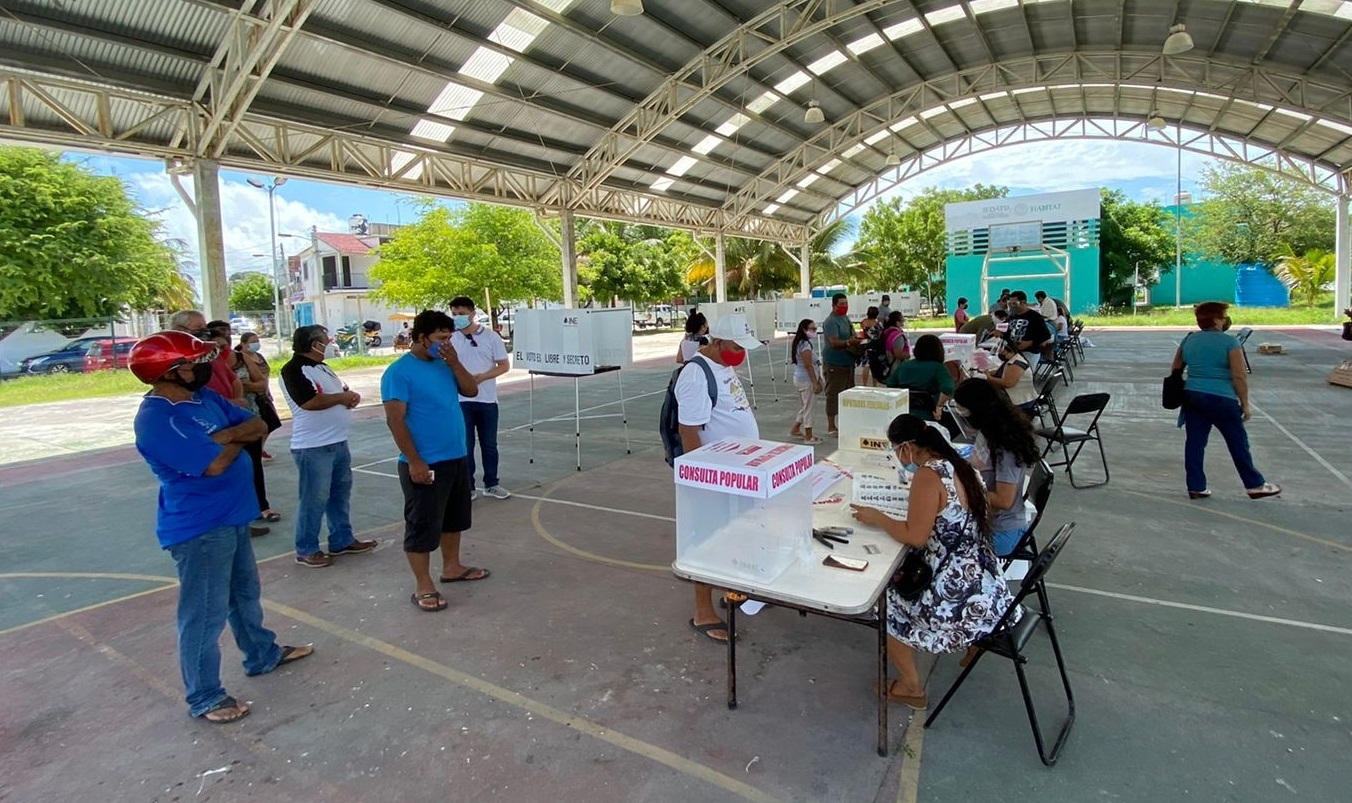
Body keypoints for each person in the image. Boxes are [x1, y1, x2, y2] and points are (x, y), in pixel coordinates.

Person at [130, 330, 313, 723]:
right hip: (200, 528)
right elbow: (213, 465)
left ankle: (261, 654)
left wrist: (221, 437)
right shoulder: (157, 419)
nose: (204, 368)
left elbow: (257, 423)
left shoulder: (203, 398)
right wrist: (230, 440)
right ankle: (205, 696)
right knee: (204, 613)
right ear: (171, 371)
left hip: (233, 517)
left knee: (244, 594)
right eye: (194, 364)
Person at [850, 414, 1017, 709]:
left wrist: (877, 517)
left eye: (896, 450)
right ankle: (974, 643)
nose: (899, 459)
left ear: (908, 447)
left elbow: (915, 536)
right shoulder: (962, 465)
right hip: (987, 583)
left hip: (956, 591)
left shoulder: (929, 475)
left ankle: (911, 687)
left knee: (885, 604)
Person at [382, 310, 486, 613]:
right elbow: (395, 420)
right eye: (441, 338)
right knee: (423, 525)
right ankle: (423, 584)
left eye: (449, 337)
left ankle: (451, 567)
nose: (446, 344)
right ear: (421, 337)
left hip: (456, 456)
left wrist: (454, 362)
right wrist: (415, 461)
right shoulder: (399, 373)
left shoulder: (445, 365)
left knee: (454, 519)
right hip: (425, 461)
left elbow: (471, 389)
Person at [675, 313, 761, 644]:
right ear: (719, 343)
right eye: (738, 347)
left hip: (736, 473)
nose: (743, 354)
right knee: (706, 539)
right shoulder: (696, 376)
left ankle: (733, 592)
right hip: (713, 476)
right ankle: (703, 611)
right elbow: (689, 432)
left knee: (733, 534)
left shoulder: (723, 368)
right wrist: (701, 481)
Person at [280, 324, 378, 568]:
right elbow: (310, 402)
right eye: (326, 340)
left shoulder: (323, 368)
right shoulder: (293, 370)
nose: (330, 344)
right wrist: (342, 398)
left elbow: (339, 392)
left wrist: (349, 396)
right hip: (313, 446)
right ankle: (306, 548)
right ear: (315, 344)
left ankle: (341, 538)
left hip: (337, 442)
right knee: (314, 498)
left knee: (339, 495)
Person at [1171, 301, 1281, 500]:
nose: (1225, 320)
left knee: (1195, 443)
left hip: (1193, 395)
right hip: (1222, 398)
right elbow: (1239, 376)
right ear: (1216, 320)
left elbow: (1176, 368)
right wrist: (1245, 404)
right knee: (1237, 442)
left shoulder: (1189, 340)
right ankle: (1254, 484)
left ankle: (1196, 486)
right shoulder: (1230, 342)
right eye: (1223, 316)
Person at [953, 379, 1040, 557]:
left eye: (962, 409)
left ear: (976, 411)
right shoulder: (990, 432)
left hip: (1000, 532)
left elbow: (1004, 501)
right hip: (987, 519)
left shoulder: (1005, 448)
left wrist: (961, 490)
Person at [449, 296, 513, 501]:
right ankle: (468, 486)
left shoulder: (491, 337)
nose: (458, 317)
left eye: (462, 313)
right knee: (466, 444)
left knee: (489, 444)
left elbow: (503, 365)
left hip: (486, 400)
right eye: (455, 314)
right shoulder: (451, 338)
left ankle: (492, 483)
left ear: (473, 313)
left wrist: (482, 377)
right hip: (461, 400)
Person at [230, 331, 282, 523]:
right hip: (230, 422)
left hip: (252, 414)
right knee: (234, 467)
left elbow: (260, 383)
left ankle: (262, 506)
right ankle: (241, 511)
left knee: (253, 465)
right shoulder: (213, 366)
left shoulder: (244, 359)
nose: (256, 345)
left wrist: (250, 387)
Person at [234, 332, 282, 461]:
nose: (256, 344)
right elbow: (243, 382)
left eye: (257, 340)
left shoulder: (259, 356)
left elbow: (265, 377)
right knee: (259, 424)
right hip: (250, 398)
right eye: (252, 341)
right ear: (243, 344)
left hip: (263, 395)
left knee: (270, 423)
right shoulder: (239, 359)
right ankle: (255, 451)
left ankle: (260, 449)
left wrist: (267, 391)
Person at [884, 334, 955, 422]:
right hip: (928, 414)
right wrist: (939, 406)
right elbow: (948, 388)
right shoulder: (939, 367)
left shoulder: (904, 365)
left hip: (903, 412)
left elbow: (890, 384)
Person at [821, 293, 859, 436]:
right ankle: (831, 426)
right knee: (833, 394)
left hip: (848, 362)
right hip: (834, 363)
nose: (844, 307)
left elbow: (851, 335)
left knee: (848, 393)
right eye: (841, 304)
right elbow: (833, 342)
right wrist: (849, 342)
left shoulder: (845, 318)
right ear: (834, 305)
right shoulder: (831, 321)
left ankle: (846, 422)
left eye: (846, 303)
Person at [788, 318, 823, 445]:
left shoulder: (801, 343)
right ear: (804, 330)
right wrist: (815, 382)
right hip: (806, 380)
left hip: (800, 378)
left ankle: (796, 428)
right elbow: (808, 365)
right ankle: (809, 436)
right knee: (809, 408)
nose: (814, 331)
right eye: (812, 329)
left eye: (815, 329)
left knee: (806, 405)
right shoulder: (805, 345)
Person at [981, 335, 1037, 412]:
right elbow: (1001, 372)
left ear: (1009, 350)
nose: (1000, 354)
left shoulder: (1017, 364)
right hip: (1017, 397)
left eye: (1002, 352)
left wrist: (988, 378)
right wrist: (986, 372)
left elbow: (1007, 383)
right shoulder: (1012, 360)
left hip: (1020, 401)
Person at [1003, 291, 1052, 364]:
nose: (1012, 306)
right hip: (1013, 352)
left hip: (1029, 353)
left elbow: (1046, 335)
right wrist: (999, 331)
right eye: (1010, 304)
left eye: (1014, 303)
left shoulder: (1035, 316)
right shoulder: (1011, 317)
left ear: (1023, 302)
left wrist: (1030, 343)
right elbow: (1006, 330)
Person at [858, 306, 882, 386]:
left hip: (866, 345)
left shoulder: (863, 322)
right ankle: (874, 385)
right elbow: (879, 335)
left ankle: (864, 384)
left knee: (866, 366)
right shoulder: (878, 324)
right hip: (875, 346)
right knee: (874, 367)